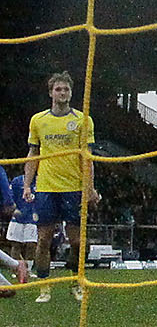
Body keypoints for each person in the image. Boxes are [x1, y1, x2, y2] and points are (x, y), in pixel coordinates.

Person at [21, 72, 96, 303]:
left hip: (73, 188)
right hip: (46, 188)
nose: (62, 93)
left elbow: (88, 157)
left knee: (76, 241)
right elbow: (33, 153)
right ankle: (45, 287)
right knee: (43, 240)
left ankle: (76, 282)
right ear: (50, 92)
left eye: (66, 89)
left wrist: (90, 188)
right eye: (58, 89)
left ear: (71, 93)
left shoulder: (84, 120)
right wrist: (27, 185)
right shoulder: (38, 120)